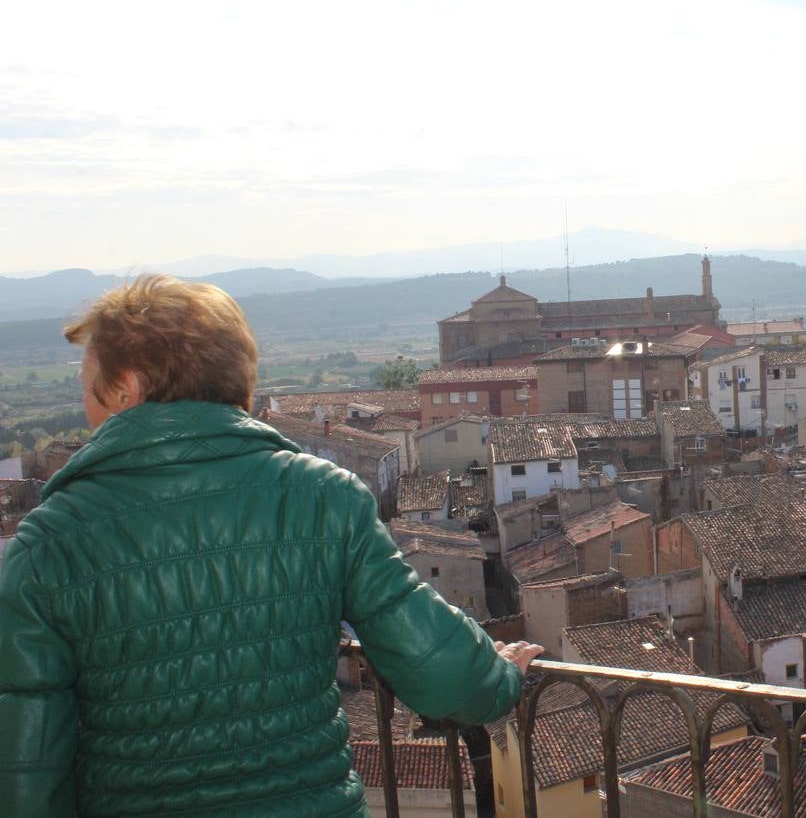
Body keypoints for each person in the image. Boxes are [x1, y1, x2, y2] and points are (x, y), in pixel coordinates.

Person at [0, 275, 543, 816]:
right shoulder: (321, 496)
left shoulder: (51, 540)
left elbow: (28, 758)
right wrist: (499, 675)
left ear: (126, 389)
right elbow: (439, 669)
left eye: (87, 380)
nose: (83, 397)